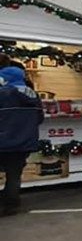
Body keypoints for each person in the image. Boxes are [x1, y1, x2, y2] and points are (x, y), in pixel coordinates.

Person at [0, 66, 44, 216]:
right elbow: (39, 118)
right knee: (14, 175)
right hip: (24, 142)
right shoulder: (33, 95)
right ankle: (11, 205)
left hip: (3, 140)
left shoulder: (3, 93)